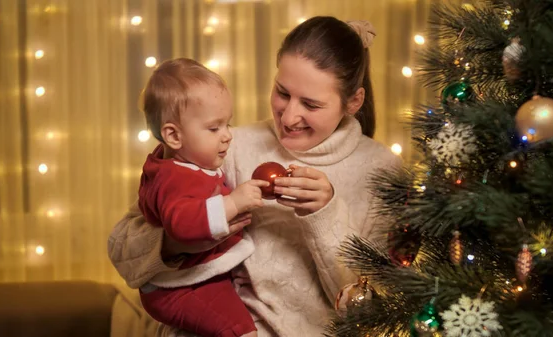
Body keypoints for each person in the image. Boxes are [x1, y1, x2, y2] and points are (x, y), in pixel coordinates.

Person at [108, 16, 401, 337]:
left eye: (311, 104)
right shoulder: (228, 145)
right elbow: (122, 250)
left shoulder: (382, 171)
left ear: (354, 102)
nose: (289, 117)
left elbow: (376, 312)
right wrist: (178, 242)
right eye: (282, 92)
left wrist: (326, 214)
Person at [130, 58, 270, 337]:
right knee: (241, 331)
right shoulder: (175, 178)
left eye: (228, 124)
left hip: (192, 280)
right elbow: (181, 225)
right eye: (214, 128)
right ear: (173, 135)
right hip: (181, 287)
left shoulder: (180, 162)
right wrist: (233, 203)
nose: (228, 136)